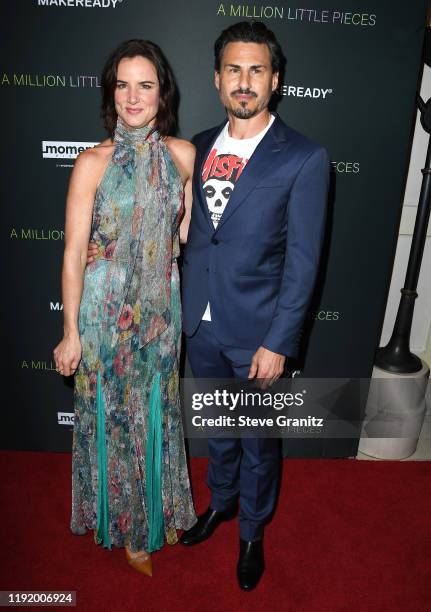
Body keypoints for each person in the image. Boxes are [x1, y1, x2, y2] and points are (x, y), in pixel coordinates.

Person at [179, 21, 330, 591]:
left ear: (275, 80)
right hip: (202, 325)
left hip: (258, 333)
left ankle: (253, 533)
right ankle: (221, 505)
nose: (245, 82)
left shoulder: (305, 158)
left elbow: (304, 262)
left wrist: (279, 342)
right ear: (218, 80)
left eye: (257, 70)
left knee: (258, 442)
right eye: (234, 70)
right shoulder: (193, 147)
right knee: (219, 425)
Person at [53, 39, 196, 577]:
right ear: (110, 94)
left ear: (163, 93)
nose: (133, 97)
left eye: (145, 85)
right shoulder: (91, 163)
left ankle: (159, 508)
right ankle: (132, 528)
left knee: (157, 417)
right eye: (122, 85)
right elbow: (72, 252)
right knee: (114, 421)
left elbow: (181, 235)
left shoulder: (183, 157)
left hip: (160, 317)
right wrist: (71, 330)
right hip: (104, 315)